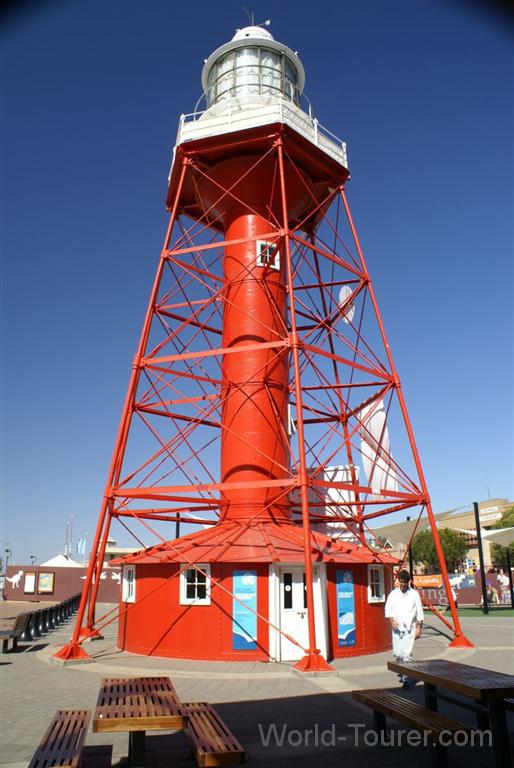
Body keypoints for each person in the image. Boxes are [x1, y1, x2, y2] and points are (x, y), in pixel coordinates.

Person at [385, 569, 424, 689]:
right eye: (401, 582)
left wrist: (419, 628)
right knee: (398, 654)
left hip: (409, 628)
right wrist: (391, 620)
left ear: (409, 582)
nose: (403, 584)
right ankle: (403, 672)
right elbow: (388, 609)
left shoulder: (414, 594)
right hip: (397, 629)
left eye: (405, 582)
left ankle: (406, 679)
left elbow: (419, 611)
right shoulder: (393, 594)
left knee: (406, 654)